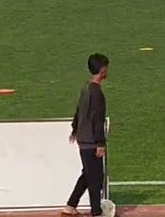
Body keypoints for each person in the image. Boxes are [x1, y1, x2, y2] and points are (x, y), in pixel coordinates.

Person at [65, 53, 109, 217]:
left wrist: (75, 129)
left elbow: (79, 111)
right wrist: (100, 143)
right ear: (102, 69)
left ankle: (70, 206)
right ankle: (96, 212)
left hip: (83, 137)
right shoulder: (97, 93)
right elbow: (97, 119)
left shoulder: (86, 89)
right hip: (91, 140)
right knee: (96, 176)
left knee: (88, 173)